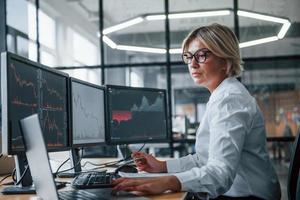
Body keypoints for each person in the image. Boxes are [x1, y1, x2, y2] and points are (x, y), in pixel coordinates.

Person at [112, 23, 281, 200]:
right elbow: (204, 159)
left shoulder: (229, 99)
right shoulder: (221, 95)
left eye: (201, 55)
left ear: (225, 60)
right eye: (189, 56)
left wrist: (169, 181)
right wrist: (163, 167)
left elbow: (220, 173)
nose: (192, 64)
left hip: (249, 196)